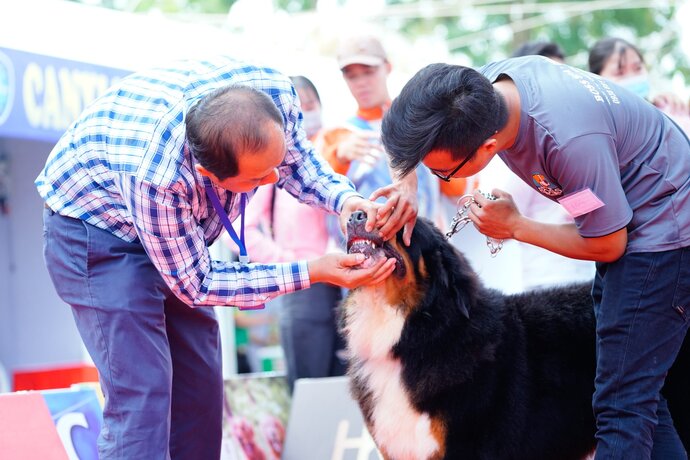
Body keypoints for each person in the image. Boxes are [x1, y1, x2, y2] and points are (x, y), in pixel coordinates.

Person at [35, 55, 407, 459]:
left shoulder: (276, 93)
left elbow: (297, 166)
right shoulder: (158, 178)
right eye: (255, 178)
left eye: (273, 166)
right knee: (142, 390)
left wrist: (345, 199)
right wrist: (312, 271)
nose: (272, 180)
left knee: (199, 383)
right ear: (207, 174)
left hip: (168, 228)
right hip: (97, 230)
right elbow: (200, 283)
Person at [379, 58, 690, 459]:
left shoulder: (568, 143)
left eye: (440, 172)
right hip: (630, 218)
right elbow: (407, 124)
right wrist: (406, 185)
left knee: (620, 404)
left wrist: (516, 227)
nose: (432, 175)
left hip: (666, 234)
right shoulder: (481, 88)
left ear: (487, 148)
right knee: (640, 392)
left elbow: (609, 244)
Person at [241, 75, 348, 393]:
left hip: (350, 285)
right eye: (296, 108)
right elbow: (242, 229)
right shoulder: (273, 163)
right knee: (310, 387)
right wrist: (291, 264)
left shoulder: (340, 152)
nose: (304, 114)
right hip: (304, 285)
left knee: (352, 386)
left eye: (311, 105)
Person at [317, 33, 446, 246]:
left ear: (387, 67)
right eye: (352, 76)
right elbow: (316, 193)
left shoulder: (422, 122)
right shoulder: (337, 134)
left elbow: (457, 188)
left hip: (423, 248)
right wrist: (339, 157)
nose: (361, 83)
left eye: (368, 72)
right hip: (364, 254)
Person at [588, 37, 690, 133]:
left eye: (638, 68)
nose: (632, 77)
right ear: (597, 79)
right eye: (619, 72)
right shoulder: (599, 131)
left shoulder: (669, 111)